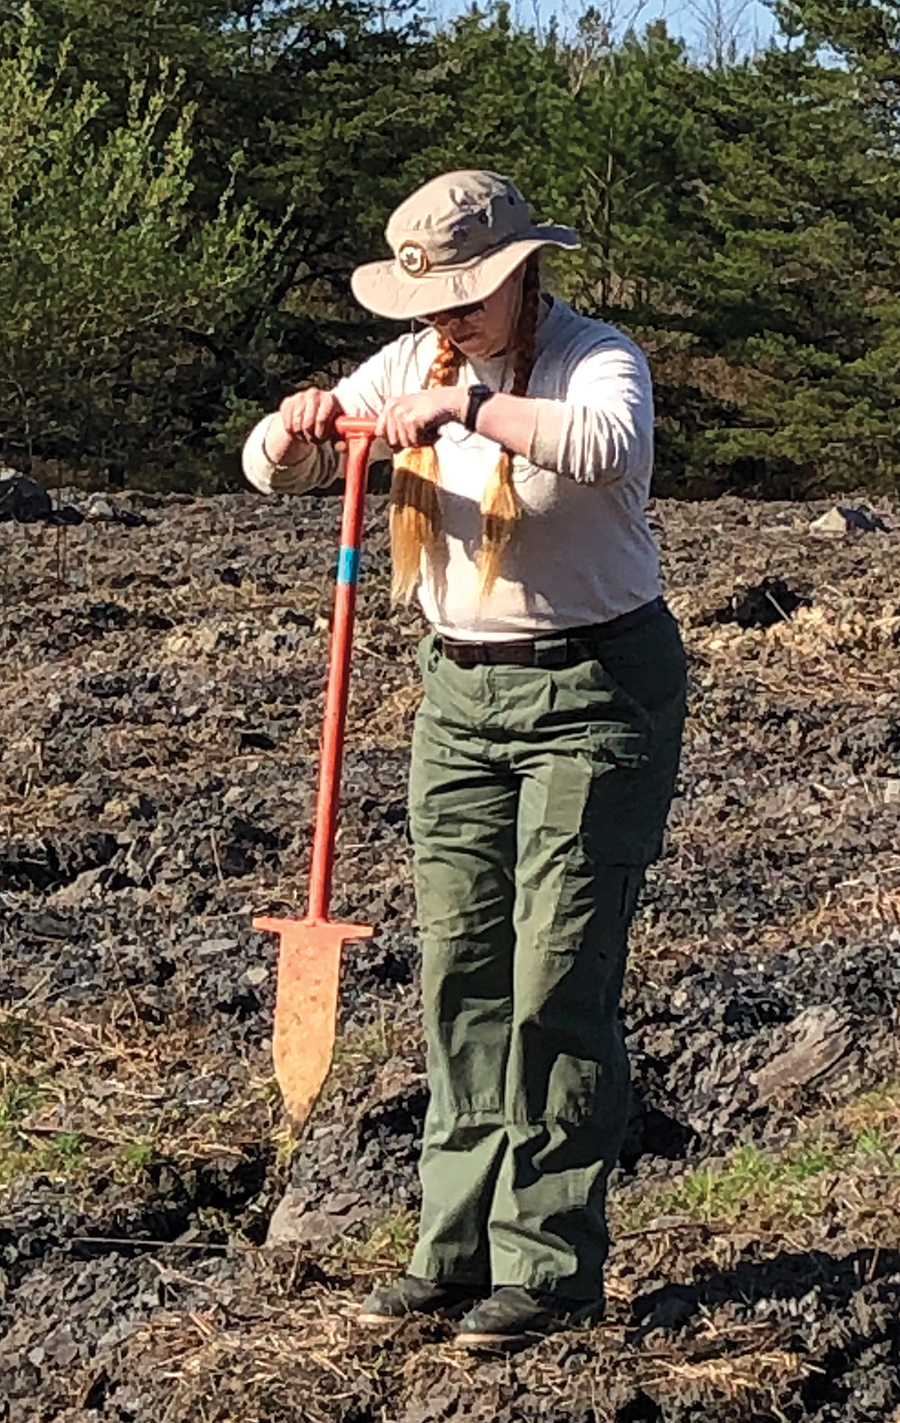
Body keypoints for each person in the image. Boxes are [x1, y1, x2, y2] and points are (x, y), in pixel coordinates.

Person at [242, 170, 686, 1351]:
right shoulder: (410, 363)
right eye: (434, 302)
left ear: (522, 271)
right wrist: (295, 432)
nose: (452, 322)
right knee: (464, 976)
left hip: (597, 691)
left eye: (470, 296)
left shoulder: (597, 356)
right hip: (459, 697)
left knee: (556, 975)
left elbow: (606, 444)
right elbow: (267, 464)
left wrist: (465, 416)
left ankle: (548, 1263)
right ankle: (453, 1250)